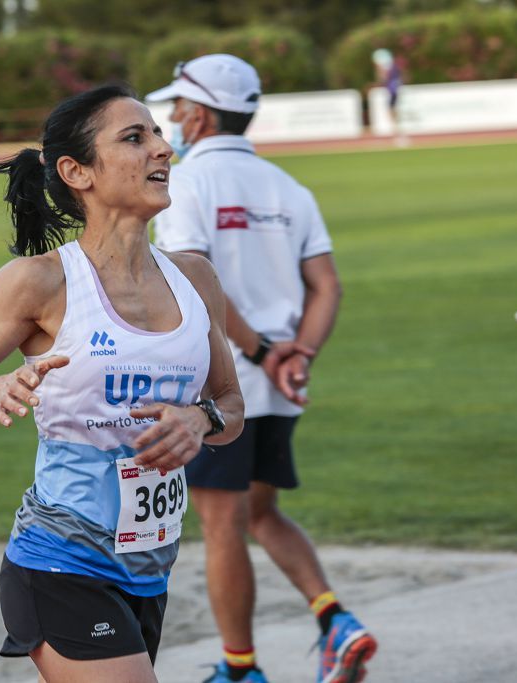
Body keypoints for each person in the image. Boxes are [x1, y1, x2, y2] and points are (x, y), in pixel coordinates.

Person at [0, 83, 245, 683]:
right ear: (76, 171)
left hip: (149, 568)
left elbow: (230, 406)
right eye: (134, 138)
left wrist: (202, 420)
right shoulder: (40, 283)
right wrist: (0, 387)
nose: (163, 150)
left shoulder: (196, 279)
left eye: (158, 135)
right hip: (60, 561)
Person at [145, 55, 377, 683]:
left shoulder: (187, 182)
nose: (170, 122)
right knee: (263, 513)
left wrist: (261, 354)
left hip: (226, 384)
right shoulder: (288, 187)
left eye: (176, 108)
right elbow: (327, 287)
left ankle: (240, 668)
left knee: (223, 525)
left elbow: (199, 284)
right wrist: (297, 355)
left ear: (199, 111)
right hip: (280, 384)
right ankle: (335, 619)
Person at [371, 48, 406, 146]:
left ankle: (397, 134)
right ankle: (397, 133)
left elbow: (383, 79)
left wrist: (379, 74)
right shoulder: (393, 67)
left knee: (392, 113)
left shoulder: (386, 68)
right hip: (394, 90)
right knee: (392, 112)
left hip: (392, 91)